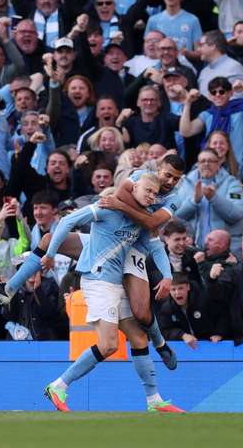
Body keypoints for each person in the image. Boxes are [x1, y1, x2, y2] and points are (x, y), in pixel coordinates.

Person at [40, 173, 183, 413]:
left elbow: (157, 248)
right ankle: (58, 385)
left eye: (154, 194)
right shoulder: (106, 207)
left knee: (138, 338)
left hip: (117, 285)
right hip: (98, 281)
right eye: (146, 190)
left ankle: (154, 400)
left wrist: (168, 276)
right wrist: (51, 254)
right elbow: (67, 222)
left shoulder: (143, 221)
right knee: (108, 345)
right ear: (132, 187)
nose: (150, 196)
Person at [174, 148, 243, 254]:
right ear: (198, 164)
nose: (206, 164)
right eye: (202, 161)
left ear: (218, 164)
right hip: (193, 249)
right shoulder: (186, 183)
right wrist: (194, 201)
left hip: (224, 250)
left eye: (211, 161)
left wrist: (214, 198)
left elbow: (237, 214)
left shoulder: (232, 183)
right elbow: (176, 216)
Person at [158, 273, 225, 347]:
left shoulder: (204, 300)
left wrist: (219, 333)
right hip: (186, 346)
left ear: (188, 287)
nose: (177, 293)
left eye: (180, 288)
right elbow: (165, 330)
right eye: (173, 289)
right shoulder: (167, 308)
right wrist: (182, 335)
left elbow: (222, 315)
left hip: (211, 343)